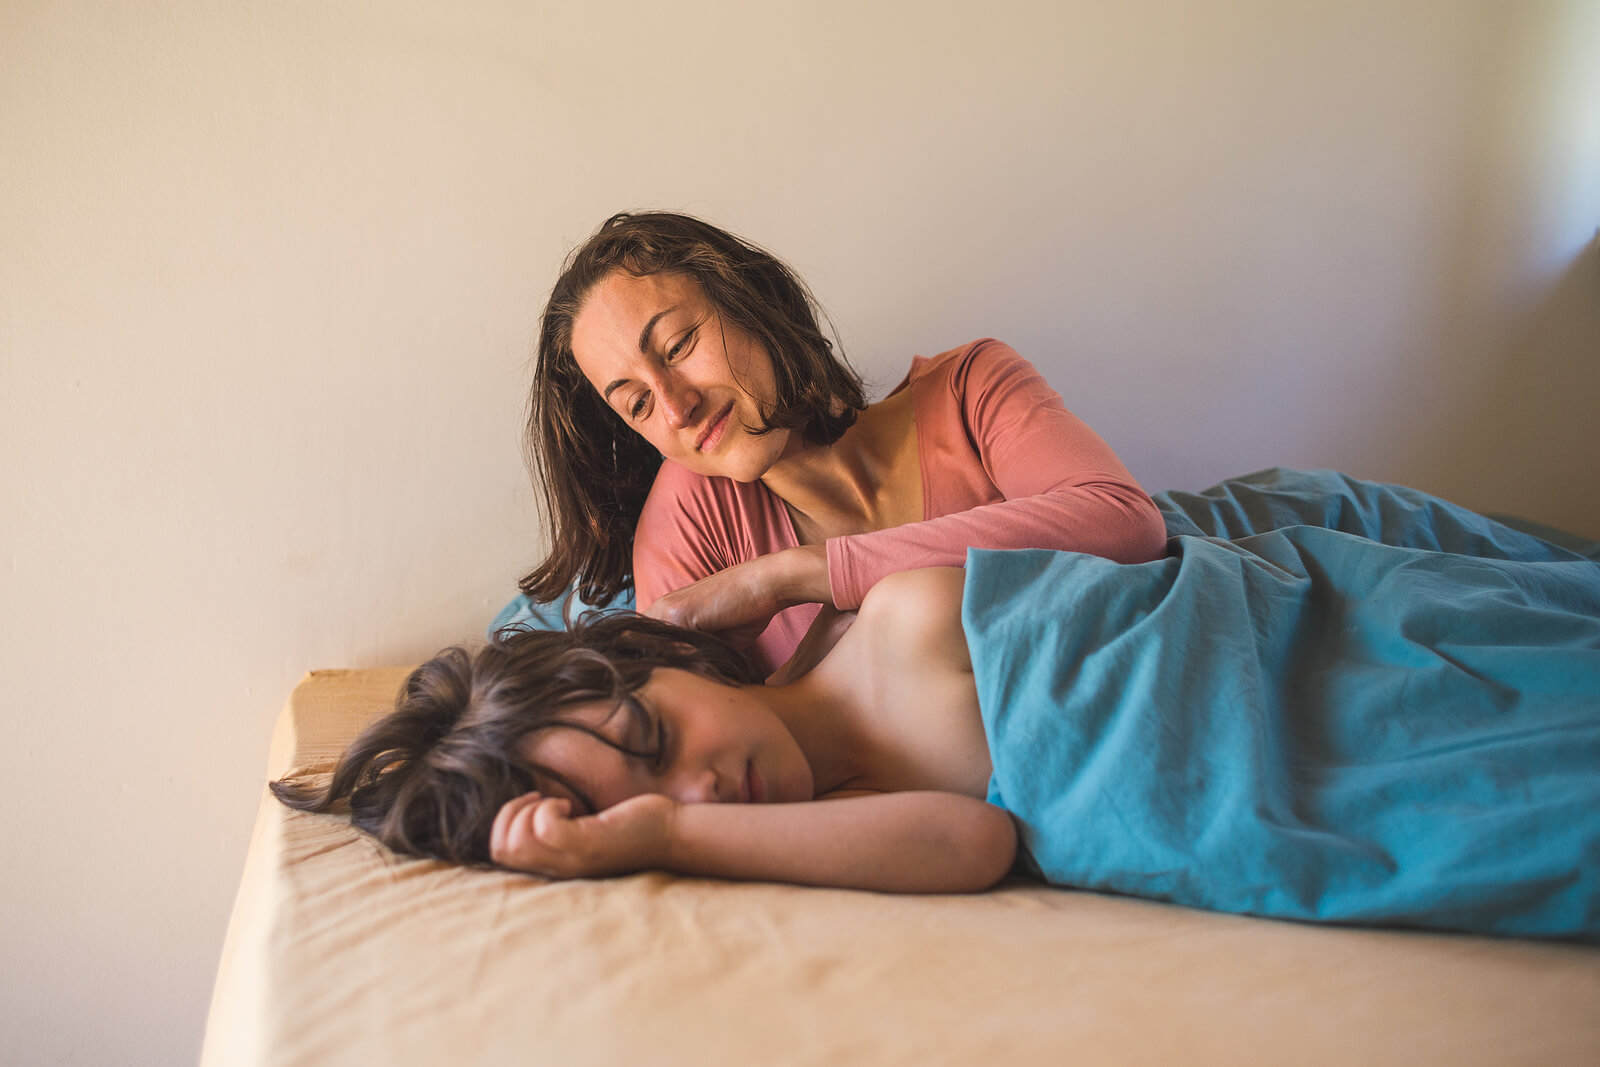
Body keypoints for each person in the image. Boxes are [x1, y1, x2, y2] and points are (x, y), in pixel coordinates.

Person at [277, 499, 1600, 937]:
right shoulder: (822, 821)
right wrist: (643, 839)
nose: (700, 788)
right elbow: (967, 840)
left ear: (664, 652)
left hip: (1306, 667)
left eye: (657, 741)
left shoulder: (906, 618)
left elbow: (1160, 584)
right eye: (650, 799)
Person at [517, 211, 1166, 677]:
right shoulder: (687, 522)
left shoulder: (970, 389)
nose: (678, 406)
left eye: (680, 346)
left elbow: (1125, 521)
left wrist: (800, 575)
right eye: (638, 403)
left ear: (749, 298)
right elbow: (701, 743)